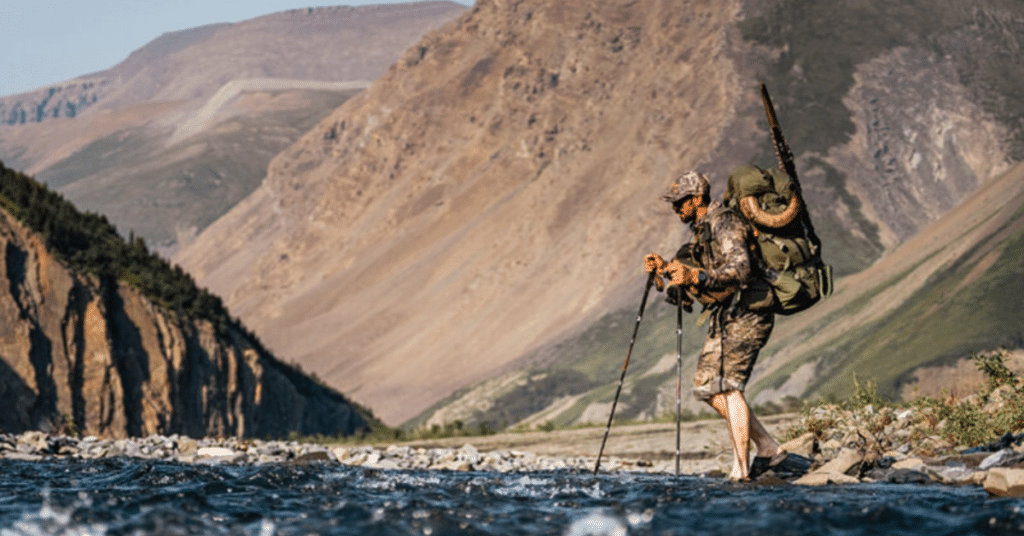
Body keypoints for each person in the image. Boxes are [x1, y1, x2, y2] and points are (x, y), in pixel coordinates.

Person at [644, 169, 783, 482]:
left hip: (749, 312)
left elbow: (741, 268)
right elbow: (699, 273)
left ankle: (741, 469)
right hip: (729, 315)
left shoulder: (724, 222)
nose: (675, 208)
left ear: (696, 199)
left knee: (727, 387)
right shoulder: (702, 230)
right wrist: (665, 270)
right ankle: (767, 446)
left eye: (680, 202)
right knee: (707, 386)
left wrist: (696, 276)